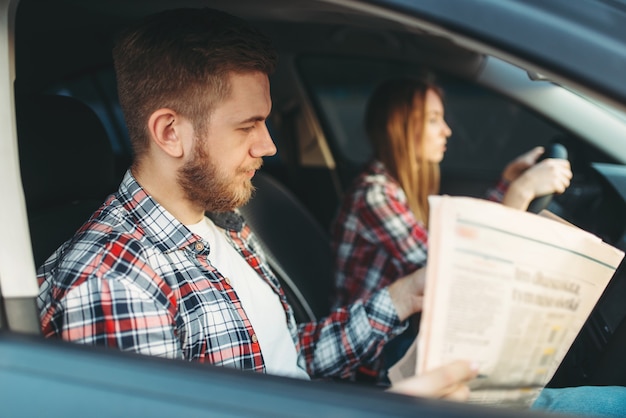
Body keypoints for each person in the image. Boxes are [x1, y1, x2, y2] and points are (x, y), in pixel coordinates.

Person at [35, 7, 475, 401]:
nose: (268, 146)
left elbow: (285, 360)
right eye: (248, 126)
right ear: (170, 132)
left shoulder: (224, 223)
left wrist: (401, 298)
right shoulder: (114, 284)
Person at [330, 78, 573, 381]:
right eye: (433, 120)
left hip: (403, 329)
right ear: (399, 127)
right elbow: (457, 276)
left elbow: (452, 243)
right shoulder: (373, 195)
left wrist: (506, 184)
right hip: (374, 354)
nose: (447, 130)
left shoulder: (394, 186)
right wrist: (519, 193)